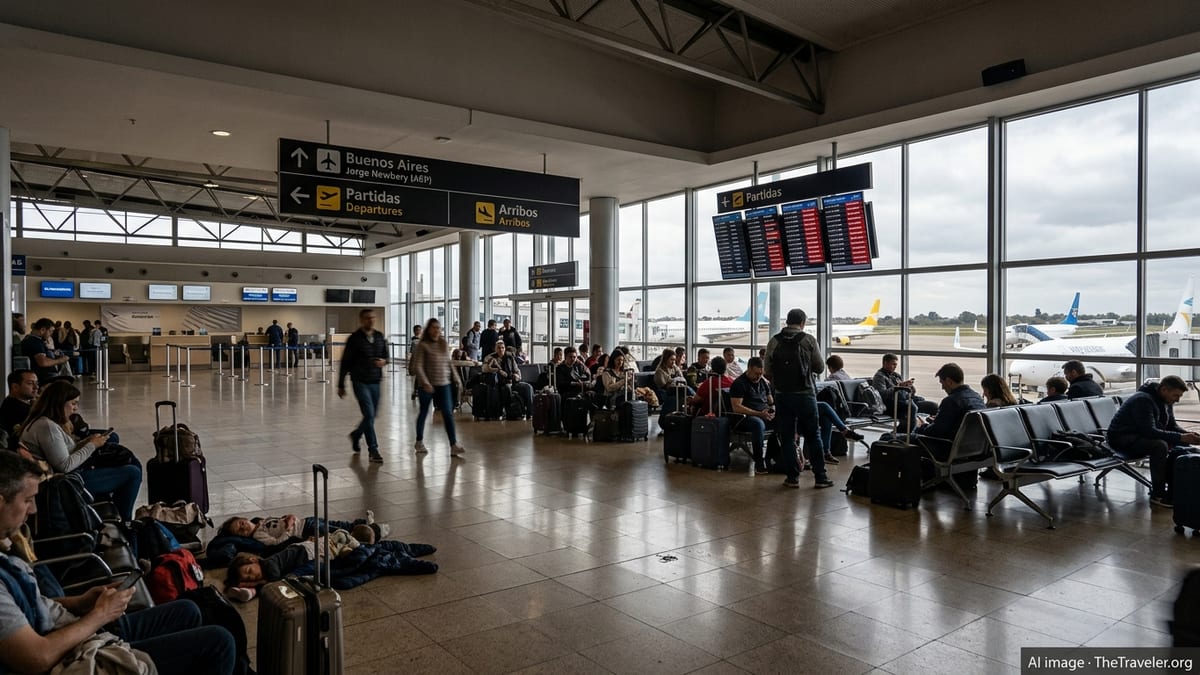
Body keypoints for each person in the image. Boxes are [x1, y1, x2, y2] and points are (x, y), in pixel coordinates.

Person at [0, 452, 237, 675]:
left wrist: (80, 602)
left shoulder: (6, 553)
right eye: (28, 499)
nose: (34, 509)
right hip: (69, 656)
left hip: (71, 630)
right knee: (219, 642)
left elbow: (30, 603)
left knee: (188, 610)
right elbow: (37, 657)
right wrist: (99, 615)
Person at [19, 380, 142, 521]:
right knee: (133, 473)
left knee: (133, 463)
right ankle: (125, 520)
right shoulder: (47, 427)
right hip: (65, 483)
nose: (75, 408)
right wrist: (92, 446)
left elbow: (64, 451)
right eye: (73, 403)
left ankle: (120, 515)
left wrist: (86, 442)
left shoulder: (44, 422)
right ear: (59, 403)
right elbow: (65, 466)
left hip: (63, 478)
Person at [1107, 375, 1200, 508]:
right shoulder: (1142, 400)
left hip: (1138, 436)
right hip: (1122, 439)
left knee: (1183, 445)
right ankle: (1158, 494)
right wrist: (1180, 437)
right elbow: (1148, 431)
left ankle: (1177, 487)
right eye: (1175, 395)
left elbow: (1171, 426)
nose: (1177, 400)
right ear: (1164, 390)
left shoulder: (1166, 401)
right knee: (1159, 446)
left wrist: (1188, 435)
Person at [764, 309, 830, 489]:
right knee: (813, 435)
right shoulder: (808, 340)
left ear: (787, 321)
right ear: (803, 322)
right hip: (805, 394)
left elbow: (767, 372)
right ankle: (821, 477)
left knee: (786, 437)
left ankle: (792, 477)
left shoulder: (774, 341)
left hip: (782, 396)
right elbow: (819, 367)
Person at [338, 309, 389, 463]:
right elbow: (345, 362)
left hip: (375, 380)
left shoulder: (379, 337)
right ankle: (373, 449)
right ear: (361, 320)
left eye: (373, 318)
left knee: (372, 415)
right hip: (360, 381)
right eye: (367, 318)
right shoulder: (354, 339)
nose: (371, 320)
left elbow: (386, 356)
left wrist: (384, 361)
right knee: (369, 414)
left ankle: (356, 434)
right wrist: (341, 384)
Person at [411, 318, 465, 457]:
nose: (436, 330)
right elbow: (418, 366)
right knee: (423, 413)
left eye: (438, 328)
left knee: (448, 413)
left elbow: (449, 362)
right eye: (433, 327)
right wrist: (425, 382)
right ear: (428, 329)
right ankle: (419, 442)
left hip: (443, 384)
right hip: (427, 386)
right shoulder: (423, 345)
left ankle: (453, 444)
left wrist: (457, 379)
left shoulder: (443, 344)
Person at [913, 363, 986, 444]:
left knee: (903, 439)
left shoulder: (951, 401)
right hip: (971, 447)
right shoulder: (977, 397)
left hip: (947, 446)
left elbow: (934, 432)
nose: (942, 387)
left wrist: (921, 426)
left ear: (949, 381)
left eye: (942, 383)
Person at [729, 357, 774, 473]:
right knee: (758, 424)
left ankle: (773, 457)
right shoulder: (739, 384)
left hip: (763, 414)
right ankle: (759, 462)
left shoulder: (763, 382)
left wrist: (772, 411)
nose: (758, 376)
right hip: (745, 417)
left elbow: (770, 401)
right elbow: (737, 407)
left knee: (784, 420)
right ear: (749, 368)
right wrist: (759, 414)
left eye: (761, 373)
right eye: (756, 373)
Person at [872, 353, 938, 426]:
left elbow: (908, 393)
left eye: (896, 364)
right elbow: (882, 394)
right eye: (893, 364)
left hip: (904, 400)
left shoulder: (896, 375)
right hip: (892, 404)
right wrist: (899, 386)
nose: (895, 367)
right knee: (912, 407)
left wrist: (910, 387)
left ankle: (932, 428)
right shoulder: (879, 377)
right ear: (885, 363)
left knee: (933, 406)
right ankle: (908, 432)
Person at [482, 342, 533, 419]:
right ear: (495, 349)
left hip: (513, 381)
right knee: (507, 388)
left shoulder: (510, 357)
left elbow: (516, 370)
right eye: (499, 348)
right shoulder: (490, 358)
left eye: (502, 347)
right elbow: (484, 369)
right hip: (501, 383)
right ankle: (509, 413)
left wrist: (517, 376)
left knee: (528, 387)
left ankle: (530, 413)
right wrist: (497, 370)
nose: (501, 349)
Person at [20, 319, 71, 385]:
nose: (51, 334)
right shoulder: (35, 342)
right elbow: (43, 362)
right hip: (44, 379)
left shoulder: (31, 339)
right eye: (50, 331)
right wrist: (61, 360)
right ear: (42, 330)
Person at [0, 371, 37, 444]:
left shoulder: (10, 401)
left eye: (36, 383)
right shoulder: (14, 408)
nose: (36, 387)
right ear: (15, 387)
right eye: (30, 383)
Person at [654, 350, 692, 419]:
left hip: (677, 388)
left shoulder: (674, 367)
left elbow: (682, 378)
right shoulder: (660, 371)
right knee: (686, 389)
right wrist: (674, 380)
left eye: (674, 360)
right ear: (666, 359)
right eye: (671, 360)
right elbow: (663, 385)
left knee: (685, 389)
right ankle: (695, 398)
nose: (673, 362)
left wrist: (675, 380)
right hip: (666, 390)